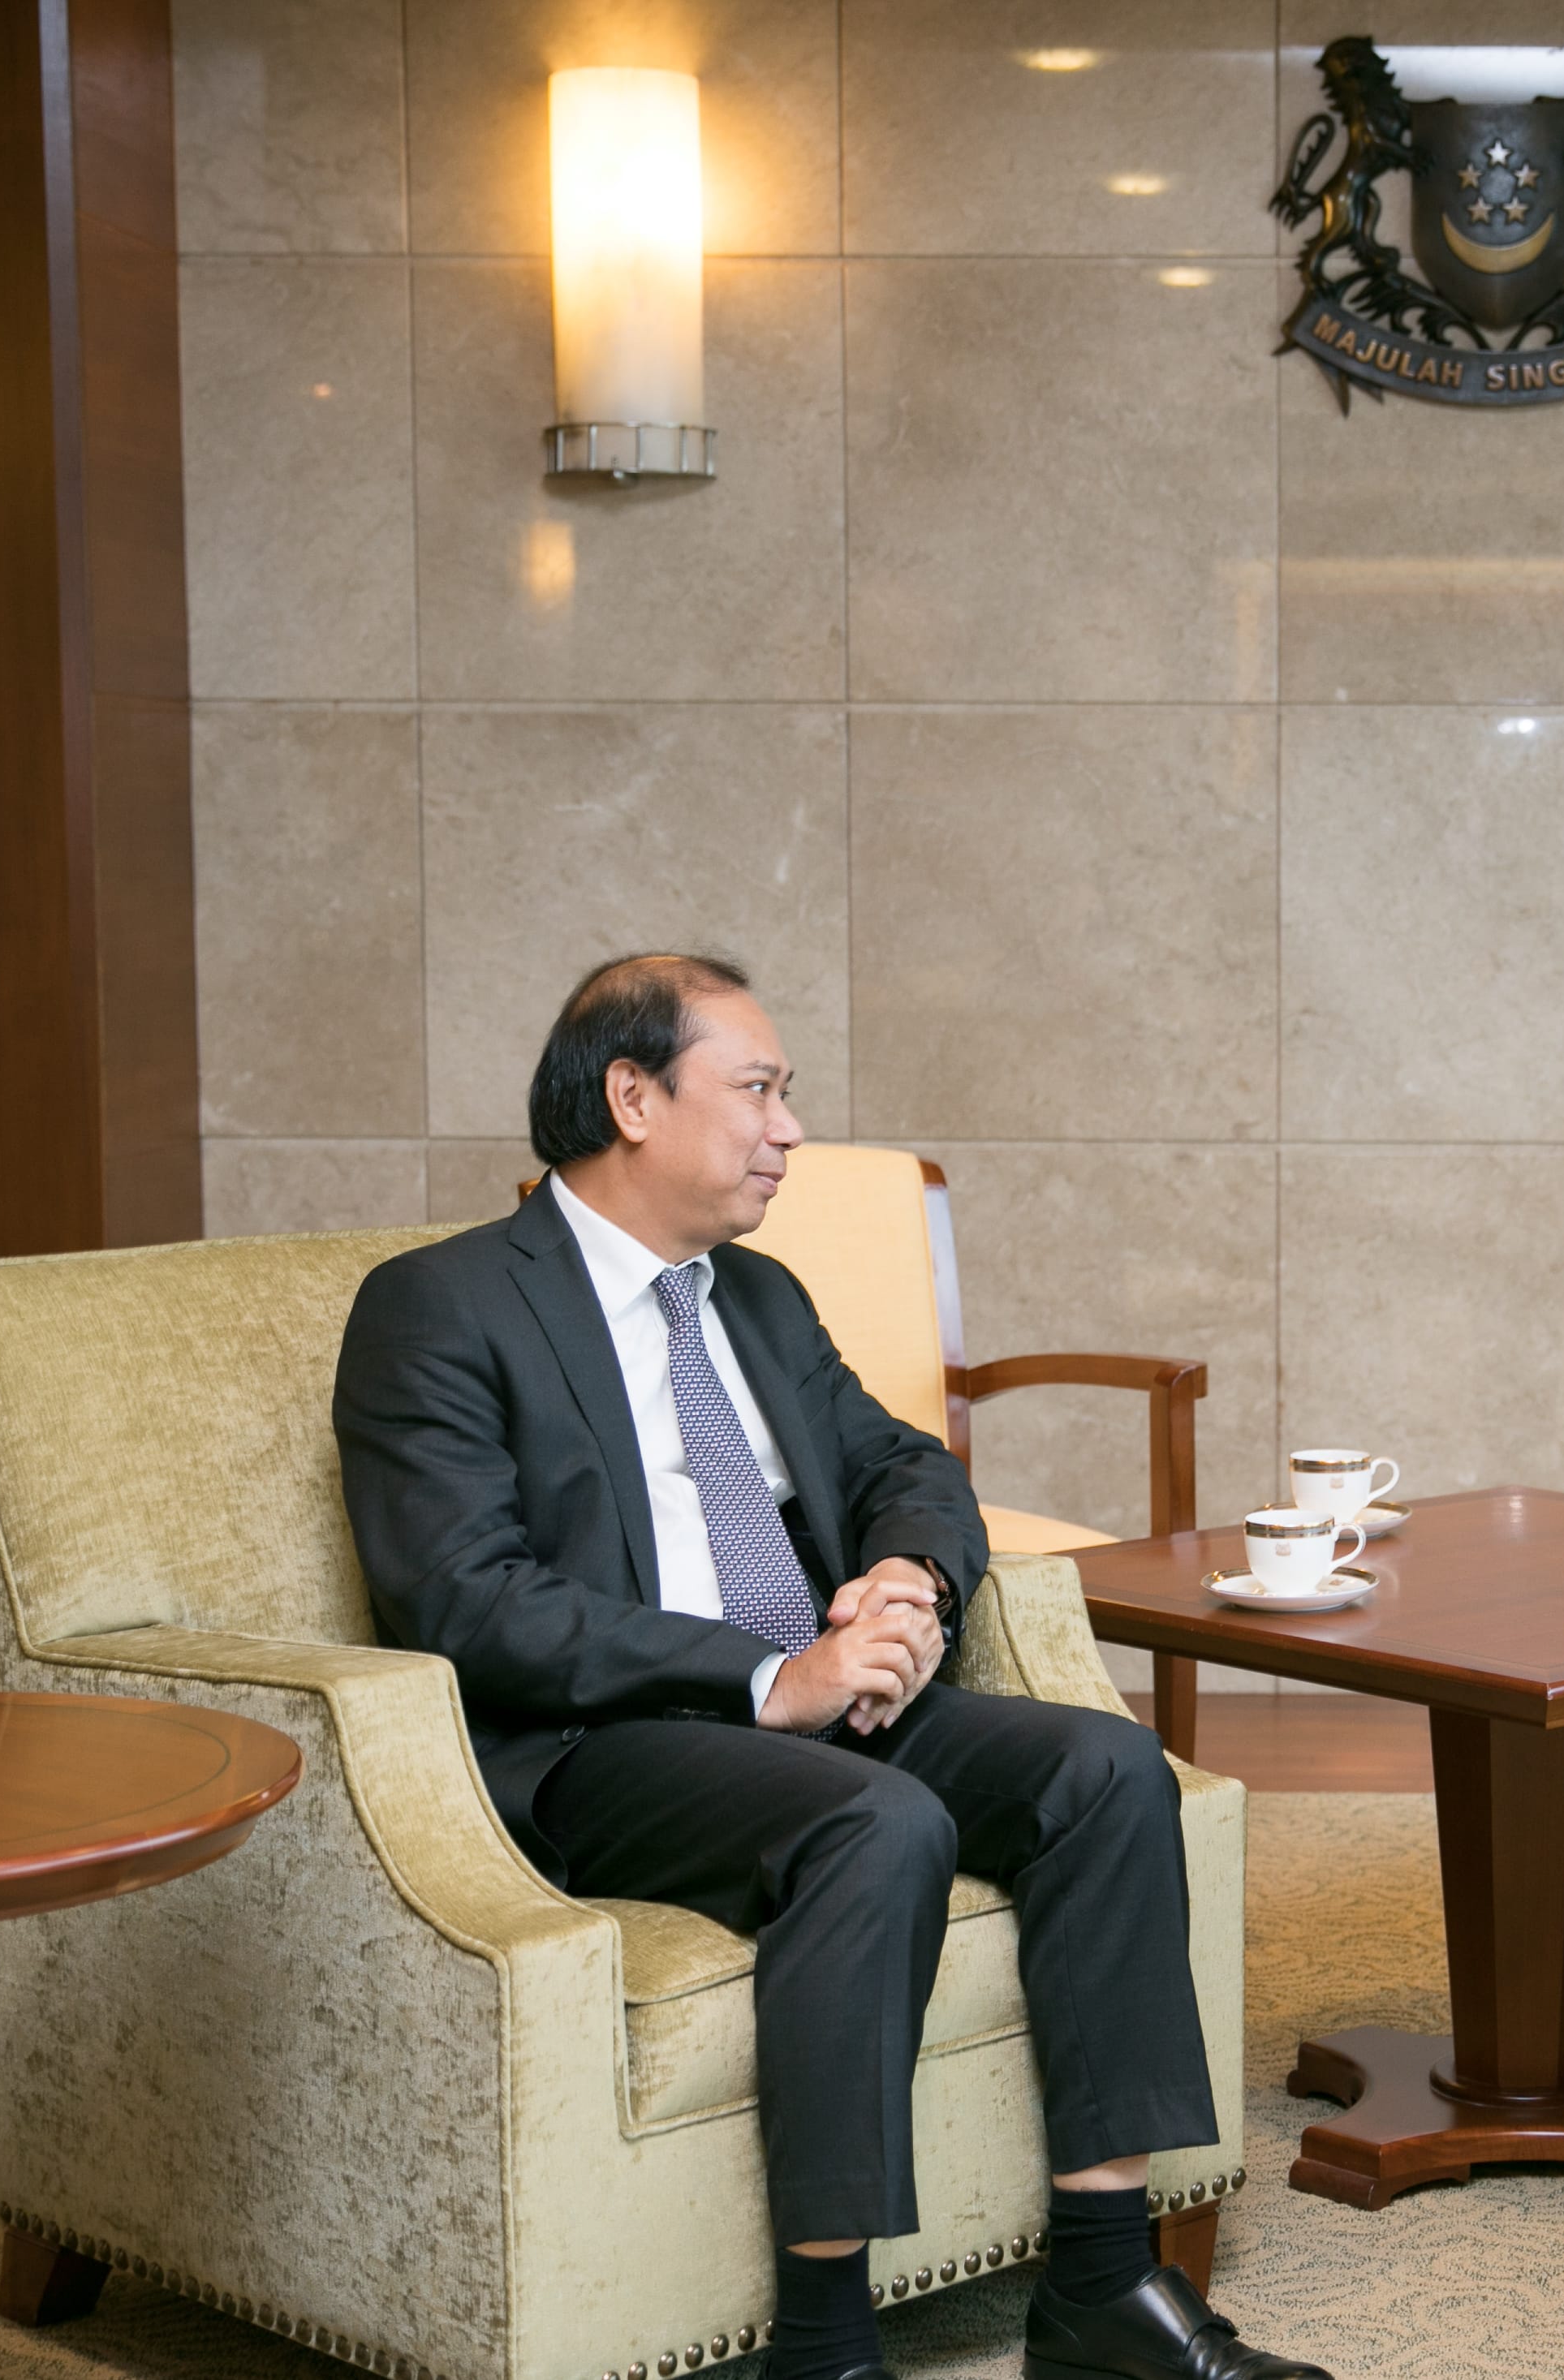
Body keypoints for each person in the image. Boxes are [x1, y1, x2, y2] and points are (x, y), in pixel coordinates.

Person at [334, 953, 1328, 2380]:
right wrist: (764, 1676)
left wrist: (905, 1578)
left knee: (1107, 1767)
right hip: (598, 1743)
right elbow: (464, 1601)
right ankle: (821, 2344)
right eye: (757, 1089)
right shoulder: (443, 1305)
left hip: (813, 1702)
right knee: (880, 1819)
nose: (789, 1128)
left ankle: (1103, 2288)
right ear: (632, 1097)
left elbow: (902, 1462)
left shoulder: (754, 1298)